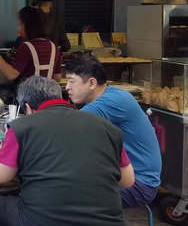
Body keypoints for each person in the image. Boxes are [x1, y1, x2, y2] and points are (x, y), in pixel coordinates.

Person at [0, 76, 133, 226]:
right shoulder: (107, 128)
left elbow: (0, 176)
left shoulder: (21, 126)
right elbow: (127, 180)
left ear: (27, 107)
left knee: (0, 208)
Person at [64, 56, 162, 209]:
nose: (67, 87)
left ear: (91, 83)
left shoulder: (114, 100)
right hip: (121, 175)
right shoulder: (110, 96)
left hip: (139, 183)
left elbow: (69, 124)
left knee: (66, 196)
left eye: (71, 81)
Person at [0, 6, 62, 82]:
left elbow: (12, 74)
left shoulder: (26, 47)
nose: (19, 27)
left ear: (26, 25)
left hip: (30, 93)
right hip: (48, 93)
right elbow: (57, 77)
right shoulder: (53, 47)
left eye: (19, 24)